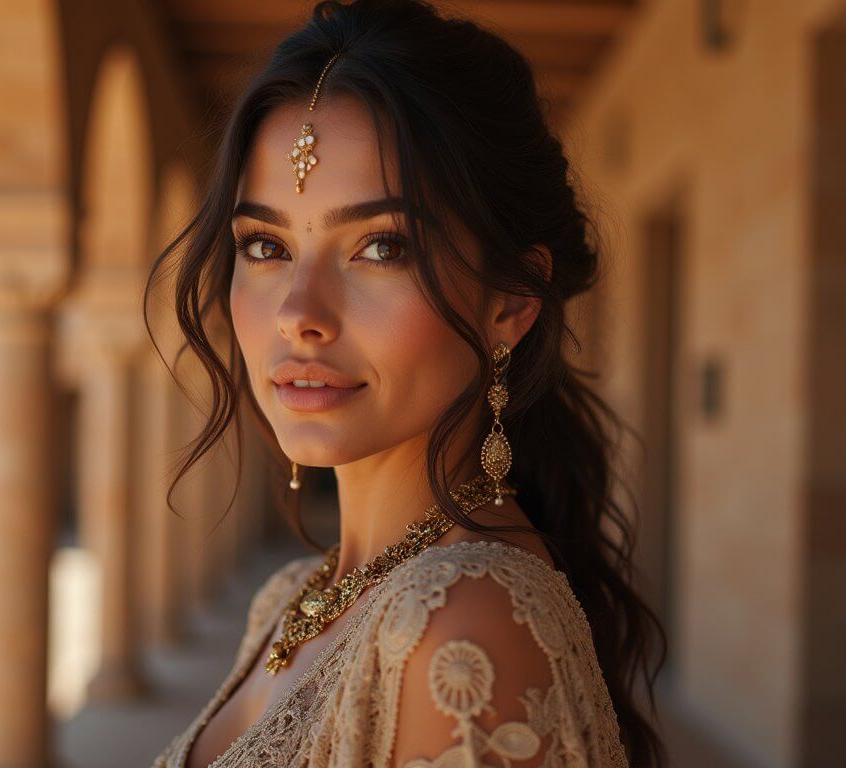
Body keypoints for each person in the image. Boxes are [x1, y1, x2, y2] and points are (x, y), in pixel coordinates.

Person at [144, 1, 667, 765]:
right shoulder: (292, 599)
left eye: (381, 248)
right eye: (265, 244)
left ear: (512, 300)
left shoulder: (460, 631)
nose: (298, 315)